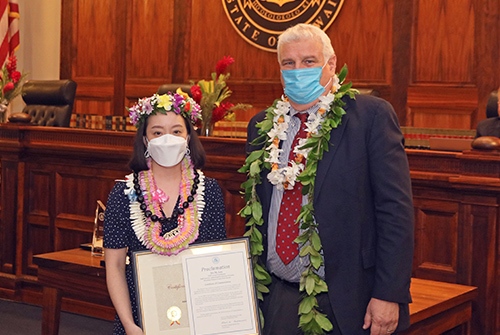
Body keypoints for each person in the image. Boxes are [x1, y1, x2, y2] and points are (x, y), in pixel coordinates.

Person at [245, 24, 414, 335]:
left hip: (350, 298)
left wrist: (389, 293)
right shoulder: (261, 127)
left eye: (308, 61)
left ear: (331, 64)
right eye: (288, 63)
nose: (298, 71)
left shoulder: (370, 117)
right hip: (278, 295)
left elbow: (395, 212)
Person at [103, 91, 226, 335]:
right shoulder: (123, 193)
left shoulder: (209, 191)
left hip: (197, 316)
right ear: (146, 141)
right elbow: (114, 266)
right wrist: (129, 324)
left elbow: (216, 262)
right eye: (157, 132)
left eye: (176, 131)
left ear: (188, 137)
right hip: (138, 318)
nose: (167, 139)